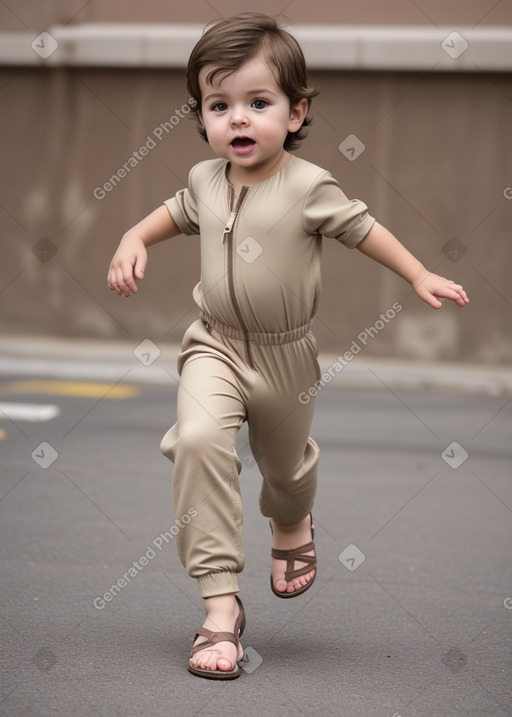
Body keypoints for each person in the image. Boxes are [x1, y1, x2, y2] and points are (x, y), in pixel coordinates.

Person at [107, 13, 469, 679]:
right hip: (211, 344)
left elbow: (364, 228)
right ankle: (219, 610)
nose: (237, 119)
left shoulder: (307, 186)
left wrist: (418, 273)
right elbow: (172, 214)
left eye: (258, 102)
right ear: (202, 116)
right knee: (196, 440)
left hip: (285, 356)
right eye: (219, 105)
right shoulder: (204, 181)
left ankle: (292, 521)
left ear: (297, 112)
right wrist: (133, 238)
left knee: (286, 468)